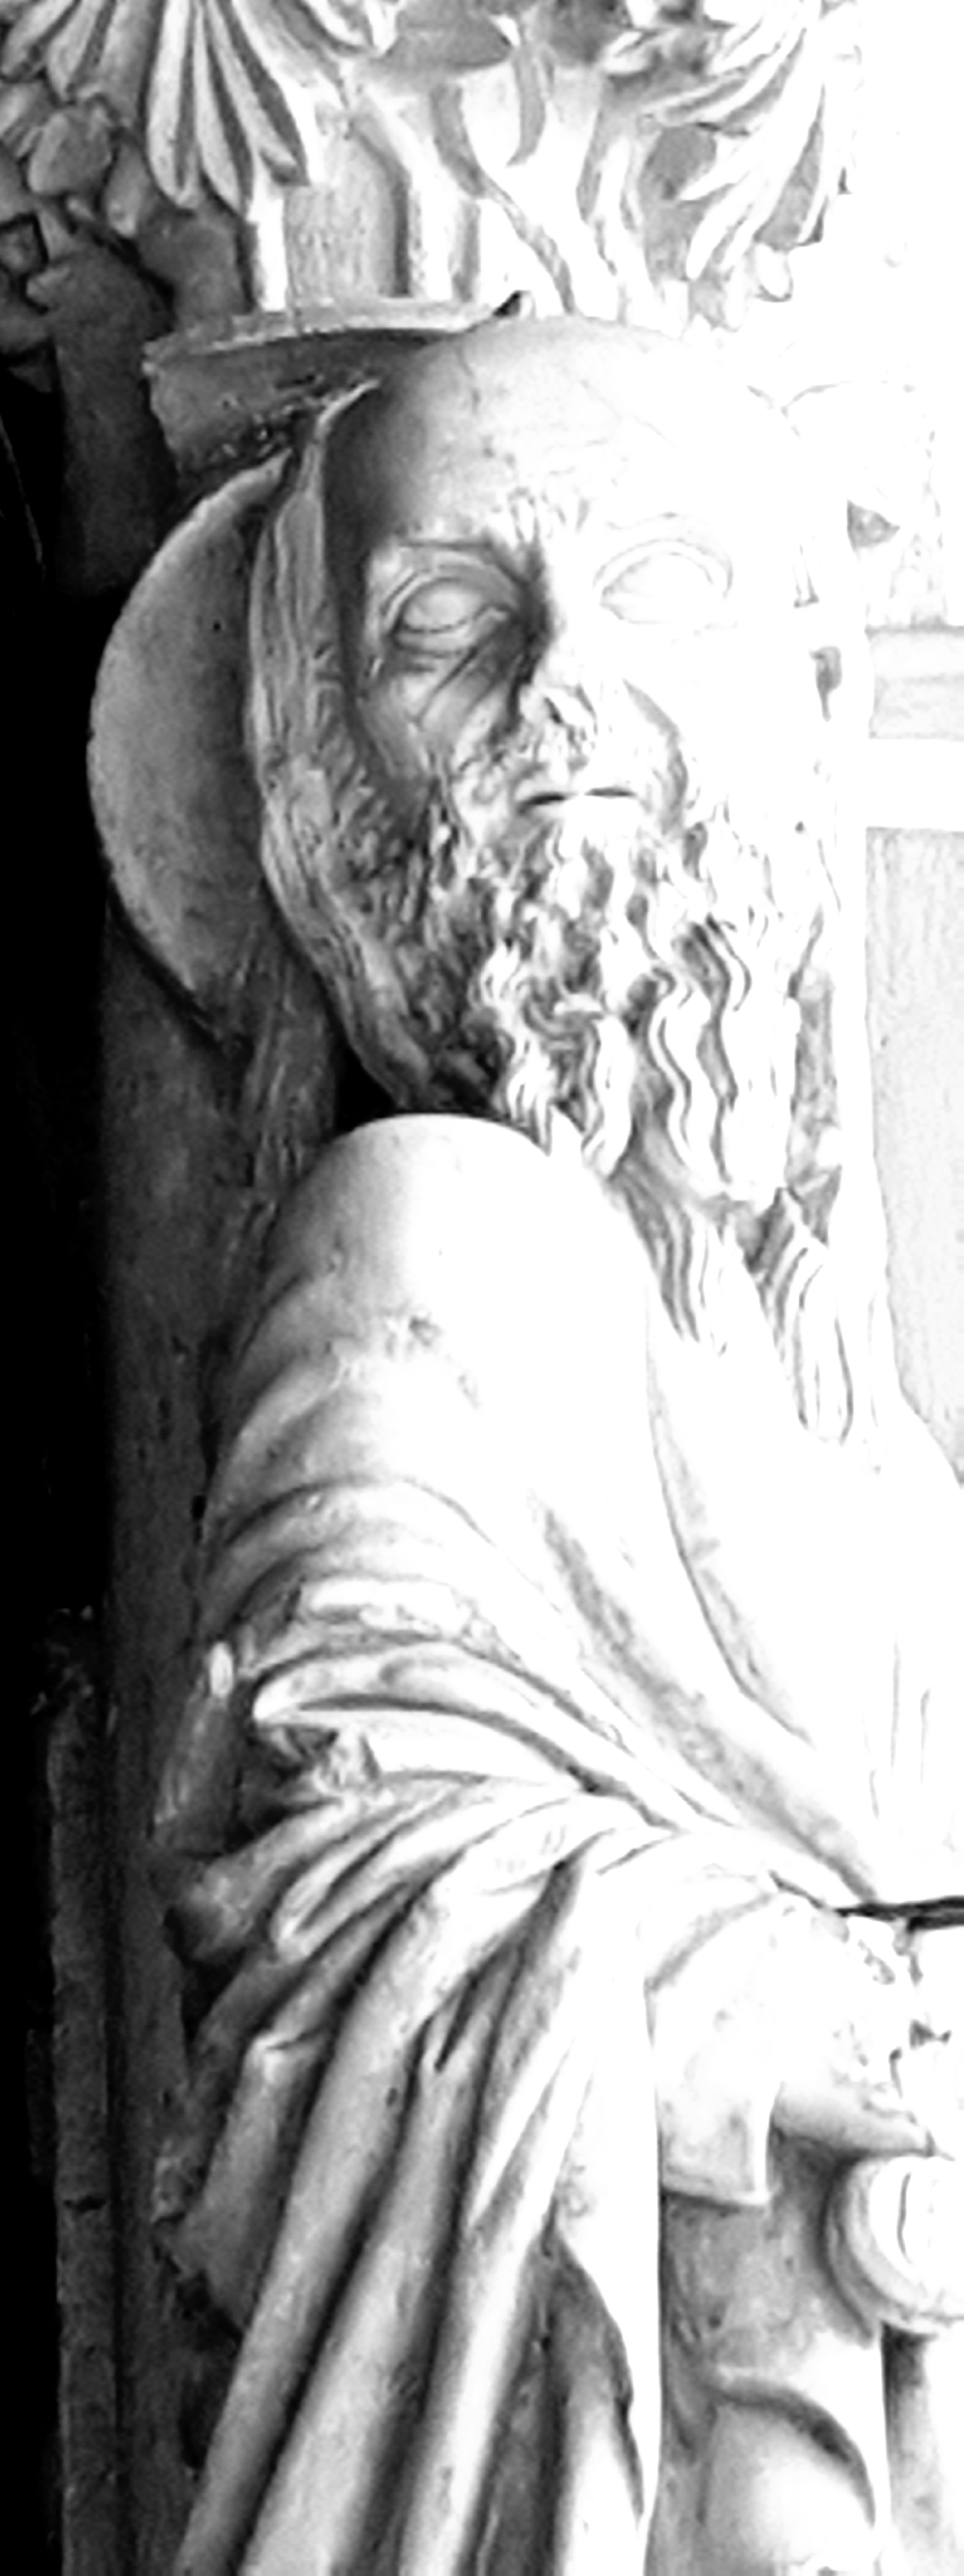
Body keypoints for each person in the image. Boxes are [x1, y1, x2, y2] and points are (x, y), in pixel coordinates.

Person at [163, 315, 964, 2571]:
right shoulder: (434, 1239)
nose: (568, 687)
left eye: (665, 591)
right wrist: (811, 2016)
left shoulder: (899, 1498)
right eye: (448, 626)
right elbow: (340, 1902)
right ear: (327, 795)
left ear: (815, 696)